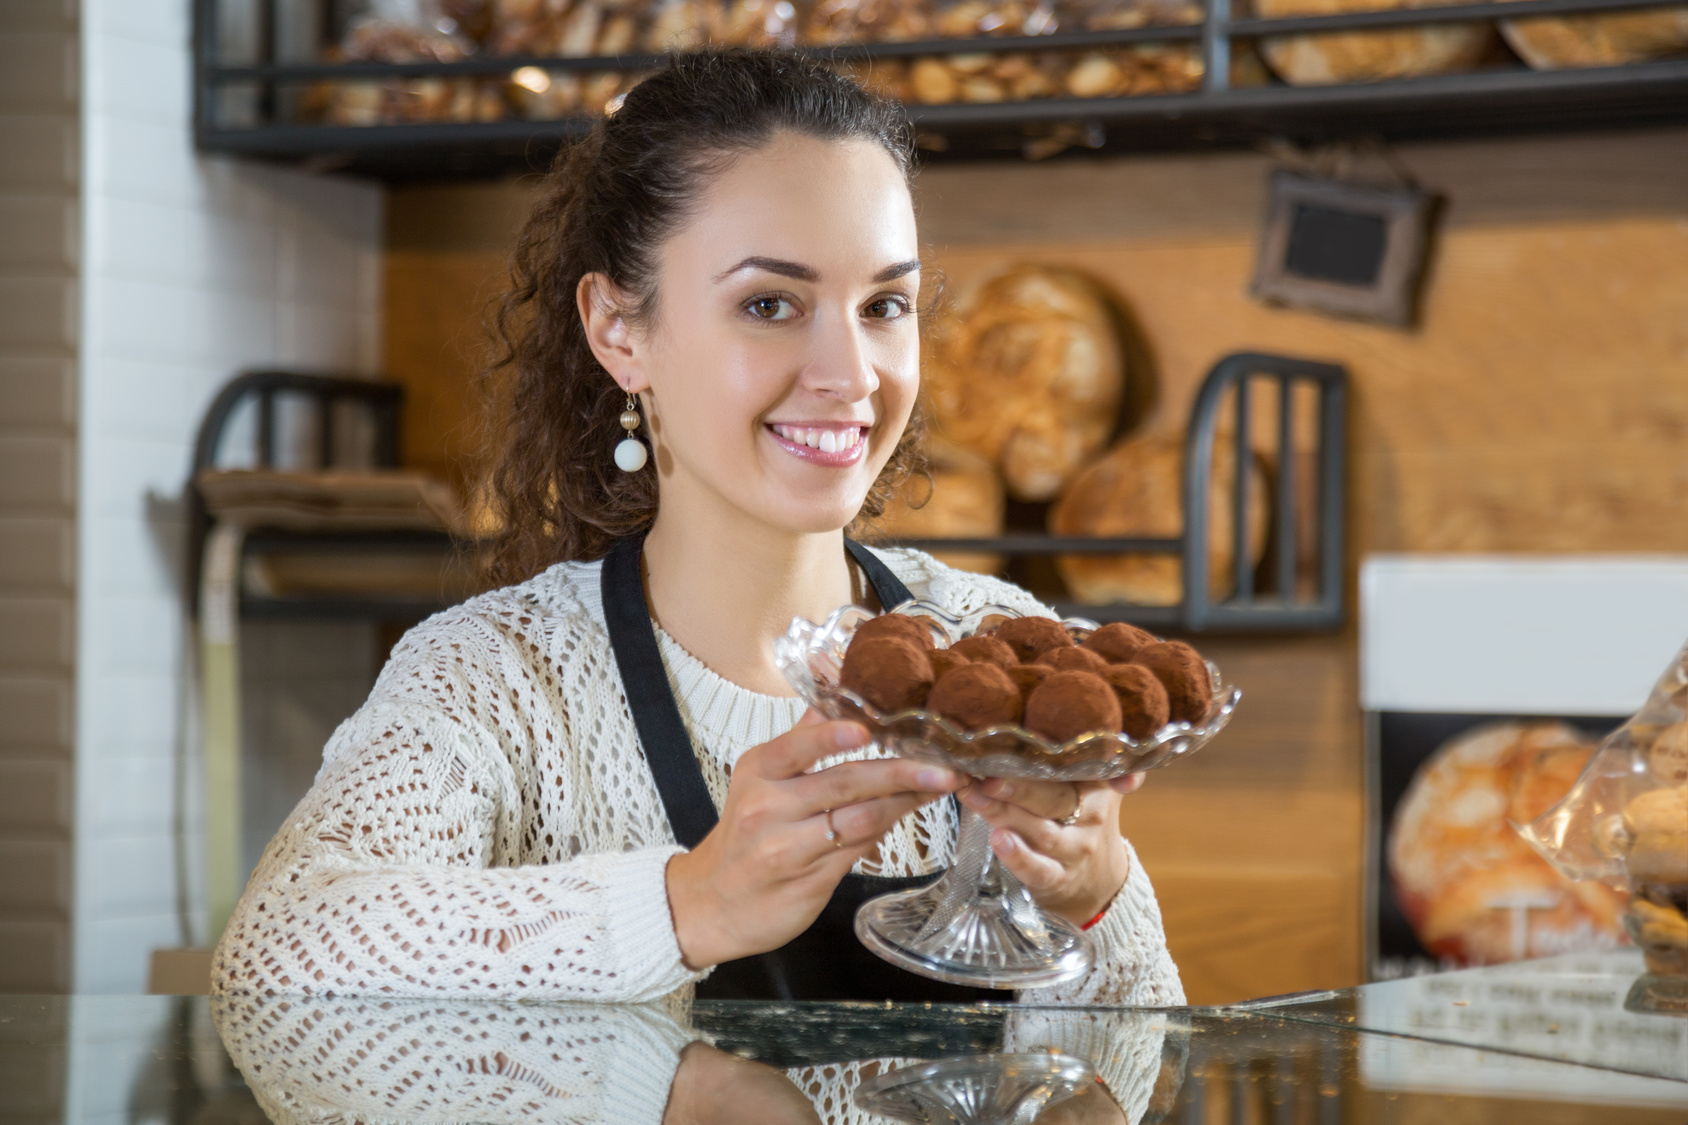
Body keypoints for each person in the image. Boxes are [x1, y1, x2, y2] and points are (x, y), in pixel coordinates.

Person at [211, 50, 1183, 1009]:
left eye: (883, 305)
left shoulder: (996, 644)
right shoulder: (495, 681)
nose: (851, 374)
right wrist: (687, 905)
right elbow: (273, 956)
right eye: (769, 304)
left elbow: (1128, 1083)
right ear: (617, 331)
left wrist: (1095, 900)